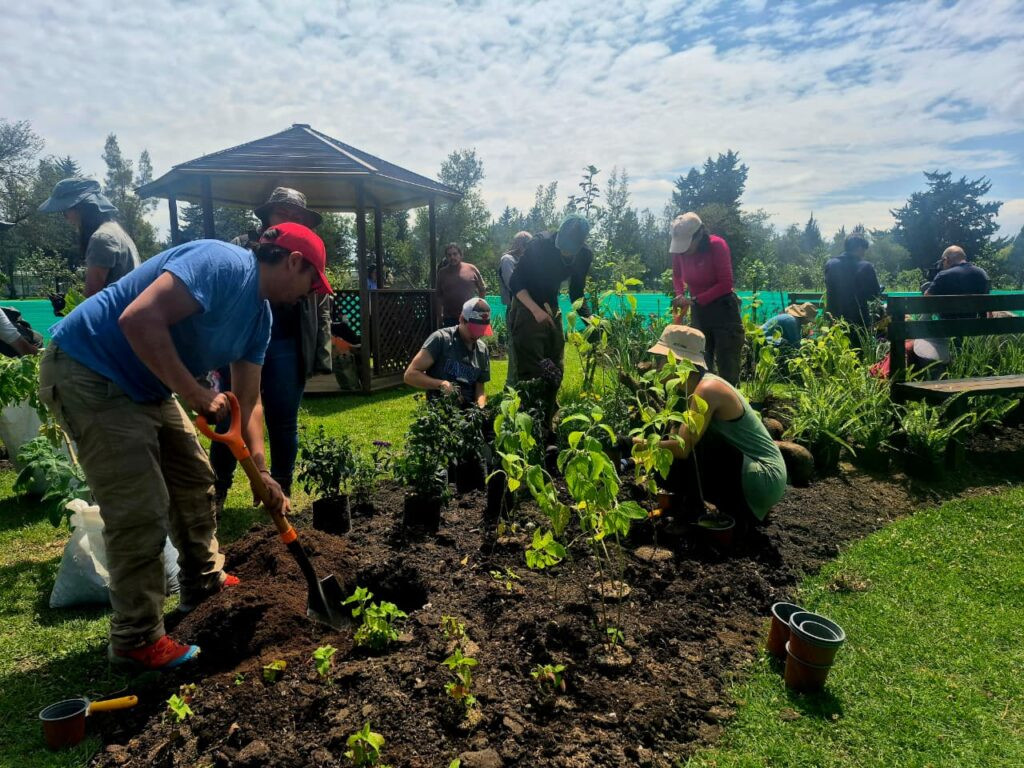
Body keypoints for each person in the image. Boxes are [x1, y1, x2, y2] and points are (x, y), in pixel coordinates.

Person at [38, 223, 331, 670]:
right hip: (89, 369)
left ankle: (203, 583)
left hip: (147, 382)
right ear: (293, 260)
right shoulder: (221, 264)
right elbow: (138, 318)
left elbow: (246, 404)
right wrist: (193, 394)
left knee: (194, 480)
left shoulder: (261, 318)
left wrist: (260, 468)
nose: (311, 293)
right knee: (140, 507)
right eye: (313, 281)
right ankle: (135, 639)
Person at [212, 188, 333, 513]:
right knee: (231, 415)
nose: (293, 221)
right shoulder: (242, 248)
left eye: (299, 218)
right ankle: (218, 490)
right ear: (267, 216)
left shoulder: (306, 255)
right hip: (240, 343)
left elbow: (320, 306)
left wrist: (321, 350)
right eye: (285, 214)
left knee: (283, 422)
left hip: (286, 344)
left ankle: (278, 490)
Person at [641, 324, 786, 530]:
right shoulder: (684, 390)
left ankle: (740, 517)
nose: (656, 366)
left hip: (764, 478)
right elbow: (673, 440)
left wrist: (631, 444)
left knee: (684, 448)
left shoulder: (708, 389)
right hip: (750, 473)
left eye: (660, 359)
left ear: (678, 361)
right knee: (668, 454)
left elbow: (682, 449)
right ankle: (694, 508)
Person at [507, 214, 593, 427]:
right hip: (527, 305)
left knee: (555, 366)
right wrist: (536, 310)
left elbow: (576, 293)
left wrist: (592, 323)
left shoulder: (584, 255)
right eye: (562, 246)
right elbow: (516, 282)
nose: (564, 252)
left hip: (551, 307)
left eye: (569, 249)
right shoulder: (540, 245)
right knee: (532, 369)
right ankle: (528, 423)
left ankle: (547, 419)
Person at [669, 213, 745, 385]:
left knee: (728, 366)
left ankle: (732, 407)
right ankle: (703, 405)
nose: (684, 251)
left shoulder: (717, 245)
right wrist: (680, 294)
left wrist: (696, 299)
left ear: (699, 235)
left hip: (723, 309)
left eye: (688, 246)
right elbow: (676, 274)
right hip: (699, 312)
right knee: (700, 362)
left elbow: (726, 283)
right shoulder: (679, 251)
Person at [38, 178, 140, 297]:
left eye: (65, 211)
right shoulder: (116, 230)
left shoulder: (101, 238)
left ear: (82, 208)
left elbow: (92, 298)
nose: (65, 218)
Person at [404, 298, 492, 407]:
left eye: (481, 331)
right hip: (441, 412)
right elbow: (410, 375)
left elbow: (480, 389)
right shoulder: (441, 340)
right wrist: (441, 384)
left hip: (469, 415)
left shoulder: (482, 350)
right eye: (473, 330)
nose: (477, 335)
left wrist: (481, 407)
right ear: (461, 319)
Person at [824, 232, 881, 328]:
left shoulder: (830, 264)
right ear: (859, 248)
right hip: (858, 323)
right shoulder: (866, 266)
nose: (864, 254)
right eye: (864, 249)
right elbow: (873, 296)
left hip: (834, 322)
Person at [497, 231, 533, 382]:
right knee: (515, 349)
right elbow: (514, 286)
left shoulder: (527, 261)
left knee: (528, 349)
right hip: (515, 310)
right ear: (521, 245)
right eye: (530, 246)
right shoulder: (508, 260)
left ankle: (526, 384)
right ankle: (511, 386)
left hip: (529, 310)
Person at [436, 243, 486, 327]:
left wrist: (478, 310)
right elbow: (438, 296)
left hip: (469, 317)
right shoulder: (442, 273)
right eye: (449, 255)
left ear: (460, 255)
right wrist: (439, 317)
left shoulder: (472, 269)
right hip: (449, 319)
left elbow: (482, 289)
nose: (452, 257)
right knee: (451, 340)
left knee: (470, 340)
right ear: (446, 257)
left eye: (455, 254)